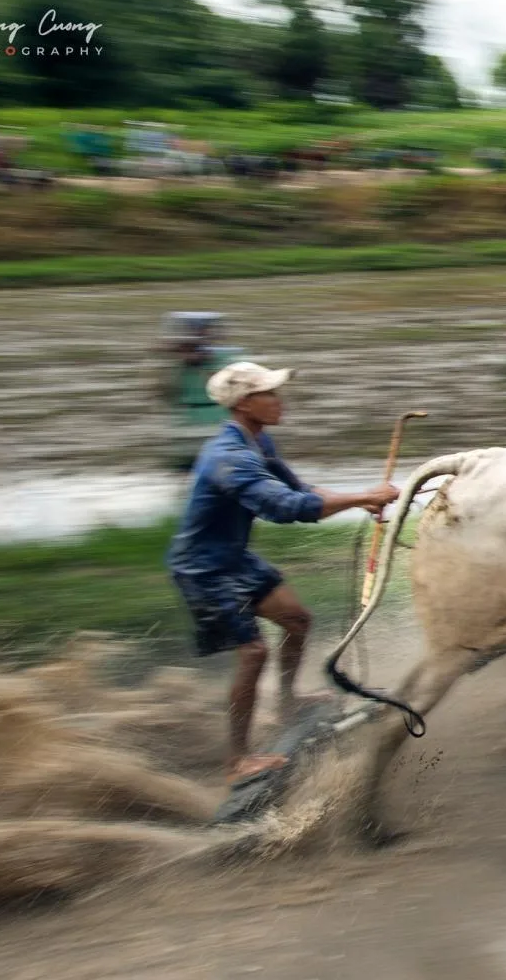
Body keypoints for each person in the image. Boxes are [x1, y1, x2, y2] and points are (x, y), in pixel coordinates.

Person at [166, 362, 401, 784]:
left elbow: (299, 489)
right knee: (254, 651)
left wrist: (359, 499)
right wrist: (363, 495)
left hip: (233, 556)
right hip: (203, 567)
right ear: (244, 404)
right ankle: (237, 760)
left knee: (298, 619)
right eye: (269, 393)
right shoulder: (230, 458)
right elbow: (285, 508)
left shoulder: (257, 440)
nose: (279, 400)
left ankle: (289, 701)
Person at [158, 312, 238, 473]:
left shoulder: (225, 357)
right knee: (188, 471)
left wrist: (203, 362)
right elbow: (163, 393)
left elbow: (234, 388)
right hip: (187, 426)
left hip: (217, 423)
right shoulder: (176, 364)